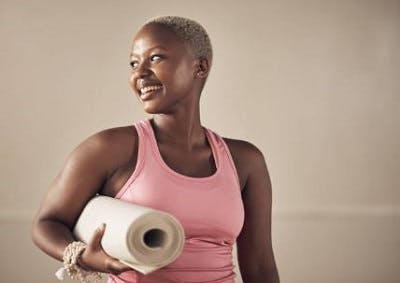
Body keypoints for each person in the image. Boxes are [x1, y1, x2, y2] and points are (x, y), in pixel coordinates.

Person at [31, 16, 280, 283]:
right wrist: (80, 255)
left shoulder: (245, 161)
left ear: (200, 67)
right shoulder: (109, 148)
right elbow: (47, 223)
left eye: (156, 58)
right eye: (134, 63)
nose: (139, 73)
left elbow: (260, 266)